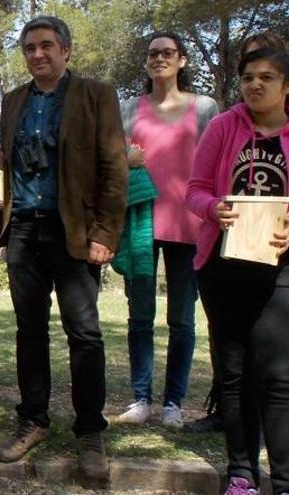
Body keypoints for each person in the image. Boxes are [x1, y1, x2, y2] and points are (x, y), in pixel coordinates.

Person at [0, 16, 127, 483]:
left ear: (66, 50)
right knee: (29, 330)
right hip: (23, 228)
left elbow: (113, 168)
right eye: (29, 48)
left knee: (84, 333)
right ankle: (34, 419)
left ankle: (90, 431)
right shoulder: (13, 100)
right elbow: (7, 164)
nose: (37, 54)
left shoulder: (95, 95)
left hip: (76, 232)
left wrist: (104, 234)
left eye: (46, 46)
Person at [186, 47, 289, 495]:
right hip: (223, 269)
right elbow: (195, 190)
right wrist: (215, 208)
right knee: (234, 373)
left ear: (286, 86)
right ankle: (242, 474)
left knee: (278, 374)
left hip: (280, 269)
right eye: (248, 77)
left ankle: (283, 480)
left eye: (267, 77)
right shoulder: (223, 126)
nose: (255, 85)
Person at [114, 32, 219, 428]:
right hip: (140, 223)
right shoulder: (129, 108)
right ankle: (140, 399)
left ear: (182, 61)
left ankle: (173, 403)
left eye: (168, 53)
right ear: (146, 62)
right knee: (140, 315)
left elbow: (215, 161)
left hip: (191, 226)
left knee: (182, 320)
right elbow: (111, 156)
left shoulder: (205, 107)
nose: (159, 58)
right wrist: (125, 157)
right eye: (153, 53)